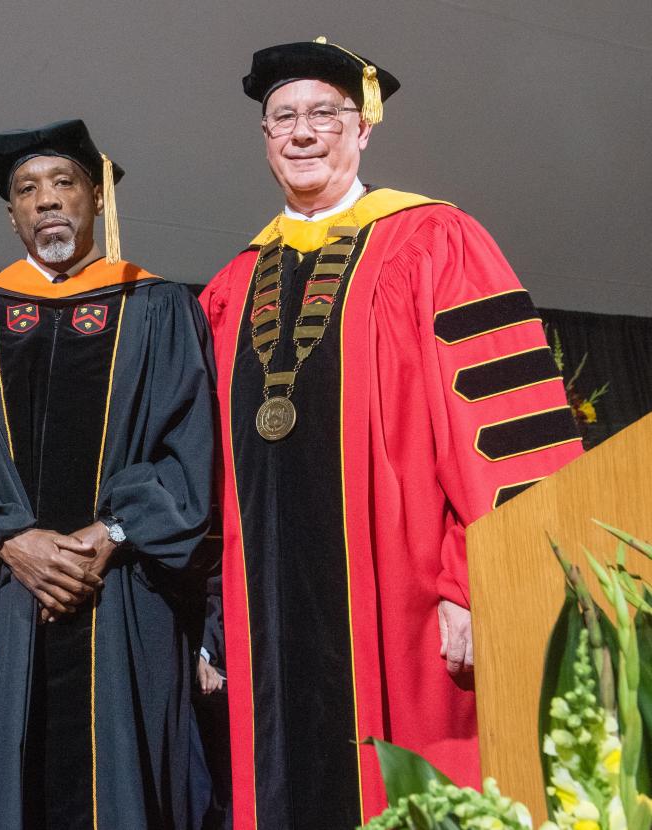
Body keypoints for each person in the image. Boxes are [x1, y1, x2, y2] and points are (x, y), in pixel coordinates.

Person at [199, 38, 585, 829]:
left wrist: (472, 583)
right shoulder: (232, 285)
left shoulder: (436, 242)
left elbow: (502, 426)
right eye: (283, 118)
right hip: (266, 612)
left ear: (363, 127)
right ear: (265, 137)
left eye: (323, 114)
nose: (302, 132)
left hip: (408, 601)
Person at [0, 119, 217, 830]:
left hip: (124, 595)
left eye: (64, 183)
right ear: (12, 214)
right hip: (8, 603)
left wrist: (109, 533)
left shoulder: (156, 309)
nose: (47, 200)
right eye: (28, 190)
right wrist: (12, 539)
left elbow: (192, 451)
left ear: (95, 196)